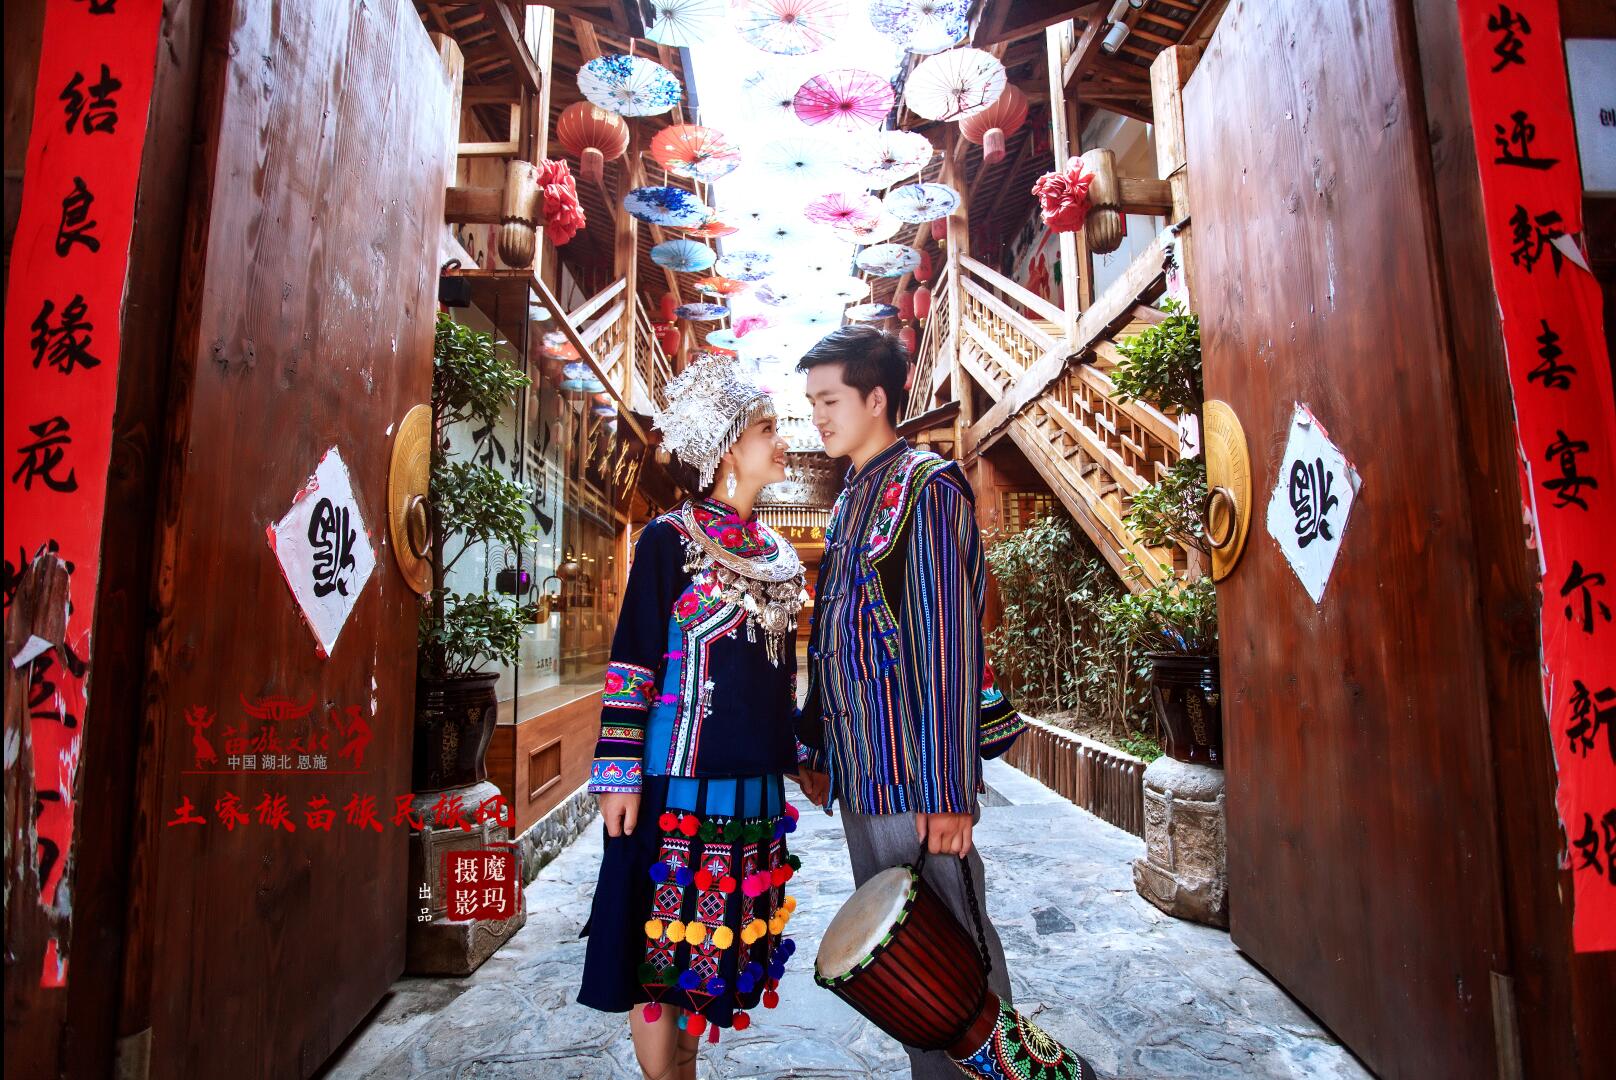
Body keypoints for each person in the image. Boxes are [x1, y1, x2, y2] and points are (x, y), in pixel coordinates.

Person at [796, 325, 1025, 1080]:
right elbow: (837, 641)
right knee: (902, 972)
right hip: (864, 775)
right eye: (811, 401)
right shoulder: (852, 498)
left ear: (876, 399)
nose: (817, 416)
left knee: (954, 959)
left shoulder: (924, 489)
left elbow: (947, 649)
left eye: (829, 400)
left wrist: (948, 791)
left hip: (914, 778)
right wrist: (818, 750)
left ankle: (1013, 1075)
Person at [578, 353, 814, 1080]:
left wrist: (803, 756)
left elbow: (781, 682)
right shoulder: (668, 539)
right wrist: (618, 774)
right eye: (768, 429)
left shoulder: (778, 555)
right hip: (674, 784)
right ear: (728, 447)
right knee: (660, 951)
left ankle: (686, 1068)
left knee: (714, 952)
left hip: (752, 790)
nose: (783, 442)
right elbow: (632, 663)